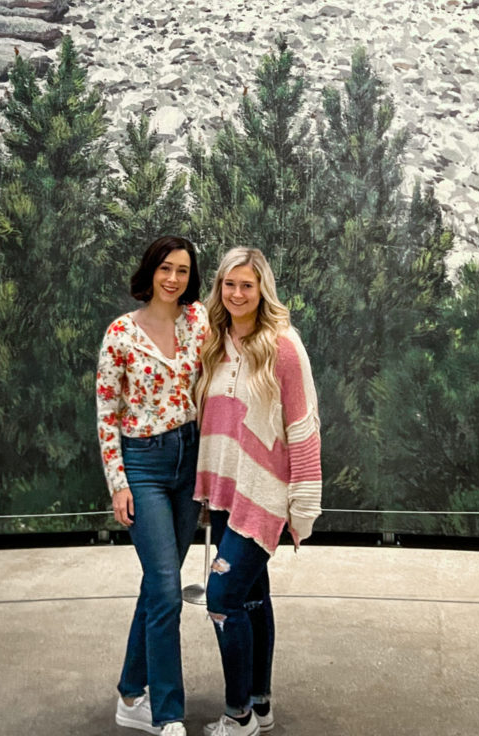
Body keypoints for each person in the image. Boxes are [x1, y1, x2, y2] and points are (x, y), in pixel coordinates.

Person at [194, 247, 322, 735]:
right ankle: (261, 704)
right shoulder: (214, 339)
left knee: (222, 598)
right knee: (251, 599)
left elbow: (303, 425)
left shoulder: (283, 345)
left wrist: (303, 503)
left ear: (262, 288)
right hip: (227, 494)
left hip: (264, 495)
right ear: (220, 288)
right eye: (230, 284)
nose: (237, 293)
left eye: (247, 285)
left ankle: (238, 716)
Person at [96, 235, 209, 736]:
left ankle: (129, 692)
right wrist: (118, 482)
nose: (173, 279)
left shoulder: (199, 321)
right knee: (166, 591)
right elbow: (106, 413)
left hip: (190, 459)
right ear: (150, 272)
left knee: (157, 586)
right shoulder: (120, 334)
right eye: (166, 268)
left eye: (183, 271)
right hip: (143, 464)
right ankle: (168, 715)